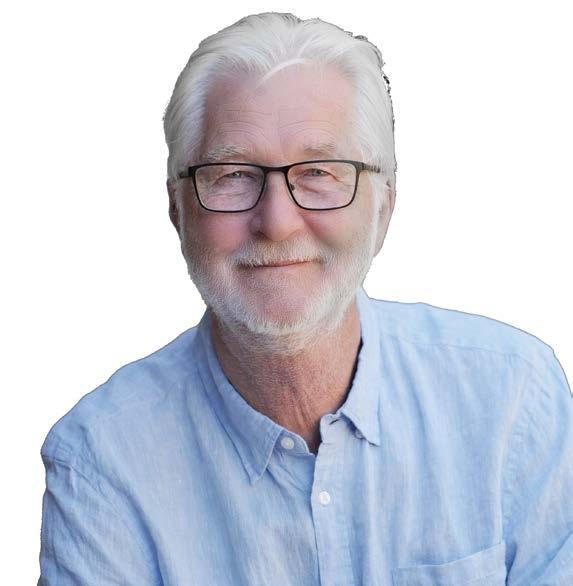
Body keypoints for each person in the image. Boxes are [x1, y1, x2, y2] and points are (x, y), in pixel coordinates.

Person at [38, 12, 573, 586]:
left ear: (384, 207)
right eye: (232, 174)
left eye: (319, 171)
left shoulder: (513, 399)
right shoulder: (101, 460)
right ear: (178, 210)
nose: (277, 222)